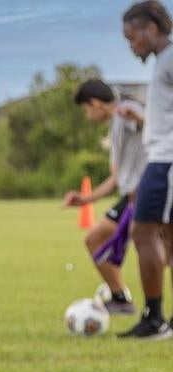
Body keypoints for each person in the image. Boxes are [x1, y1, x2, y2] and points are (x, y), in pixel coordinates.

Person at [63, 79, 146, 314]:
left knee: (157, 250)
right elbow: (115, 178)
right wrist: (85, 200)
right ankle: (120, 298)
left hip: (146, 192)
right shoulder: (116, 124)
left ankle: (149, 311)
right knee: (94, 240)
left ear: (95, 103)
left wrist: (140, 119)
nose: (88, 116)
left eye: (86, 110)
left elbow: (152, 126)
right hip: (131, 195)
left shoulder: (125, 112)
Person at [120, 1, 173, 339]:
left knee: (142, 232)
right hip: (162, 158)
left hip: (167, 161)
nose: (131, 46)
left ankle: (154, 318)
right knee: (168, 237)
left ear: (151, 29)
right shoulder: (163, 63)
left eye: (132, 38)